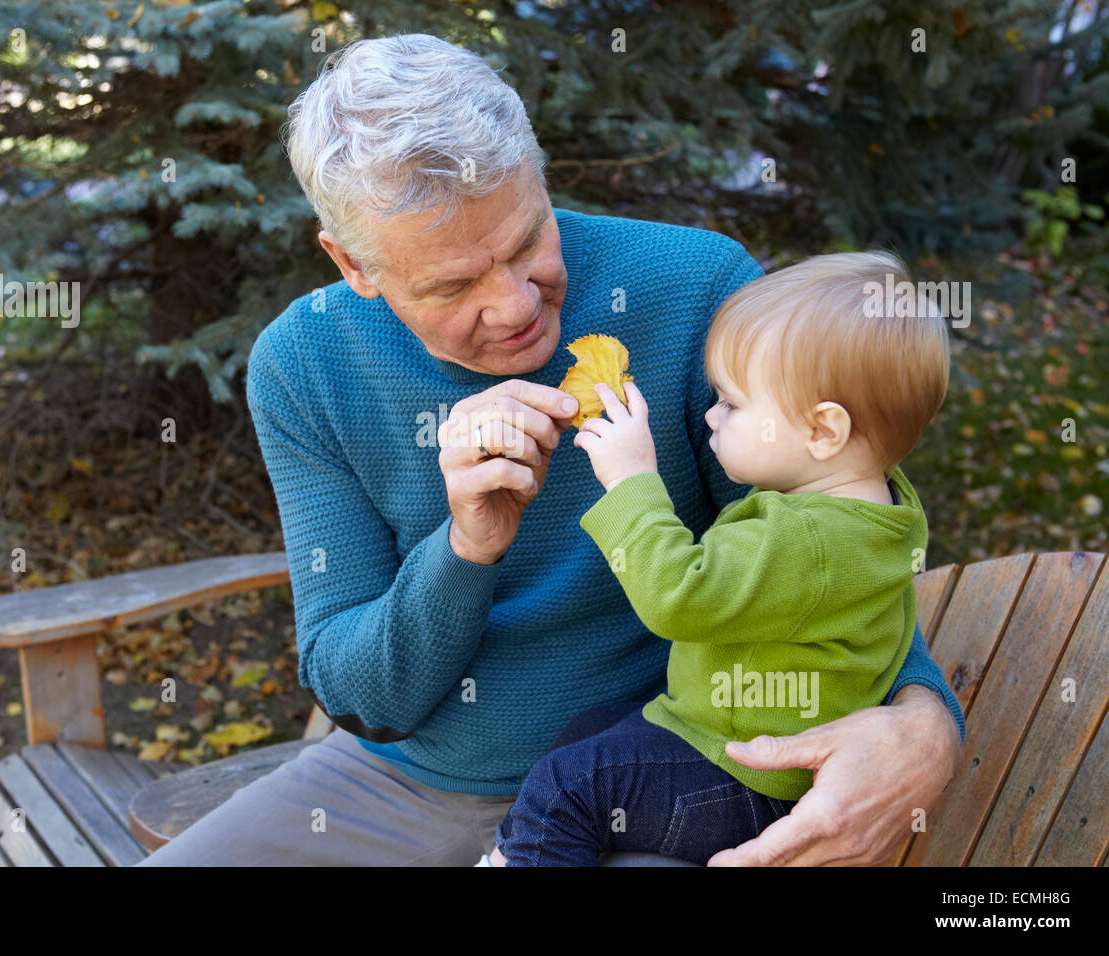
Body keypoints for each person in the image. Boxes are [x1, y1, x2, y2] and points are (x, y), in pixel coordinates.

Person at [136, 33, 964, 867]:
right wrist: (466, 548)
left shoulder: (698, 289)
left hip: (654, 769)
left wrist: (925, 723)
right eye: (454, 286)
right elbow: (359, 695)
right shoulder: (306, 365)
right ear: (354, 264)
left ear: (538, 173)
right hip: (404, 788)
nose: (515, 306)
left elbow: (839, 541)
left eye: (527, 240)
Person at [483, 252, 949, 866]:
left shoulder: (806, 540)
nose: (711, 414)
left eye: (732, 403)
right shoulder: (878, 510)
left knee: (568, 787)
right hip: (737, 746)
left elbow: (681, 599)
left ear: (823, 432)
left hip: (744, 781)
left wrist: (632, 482)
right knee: (589, 731)